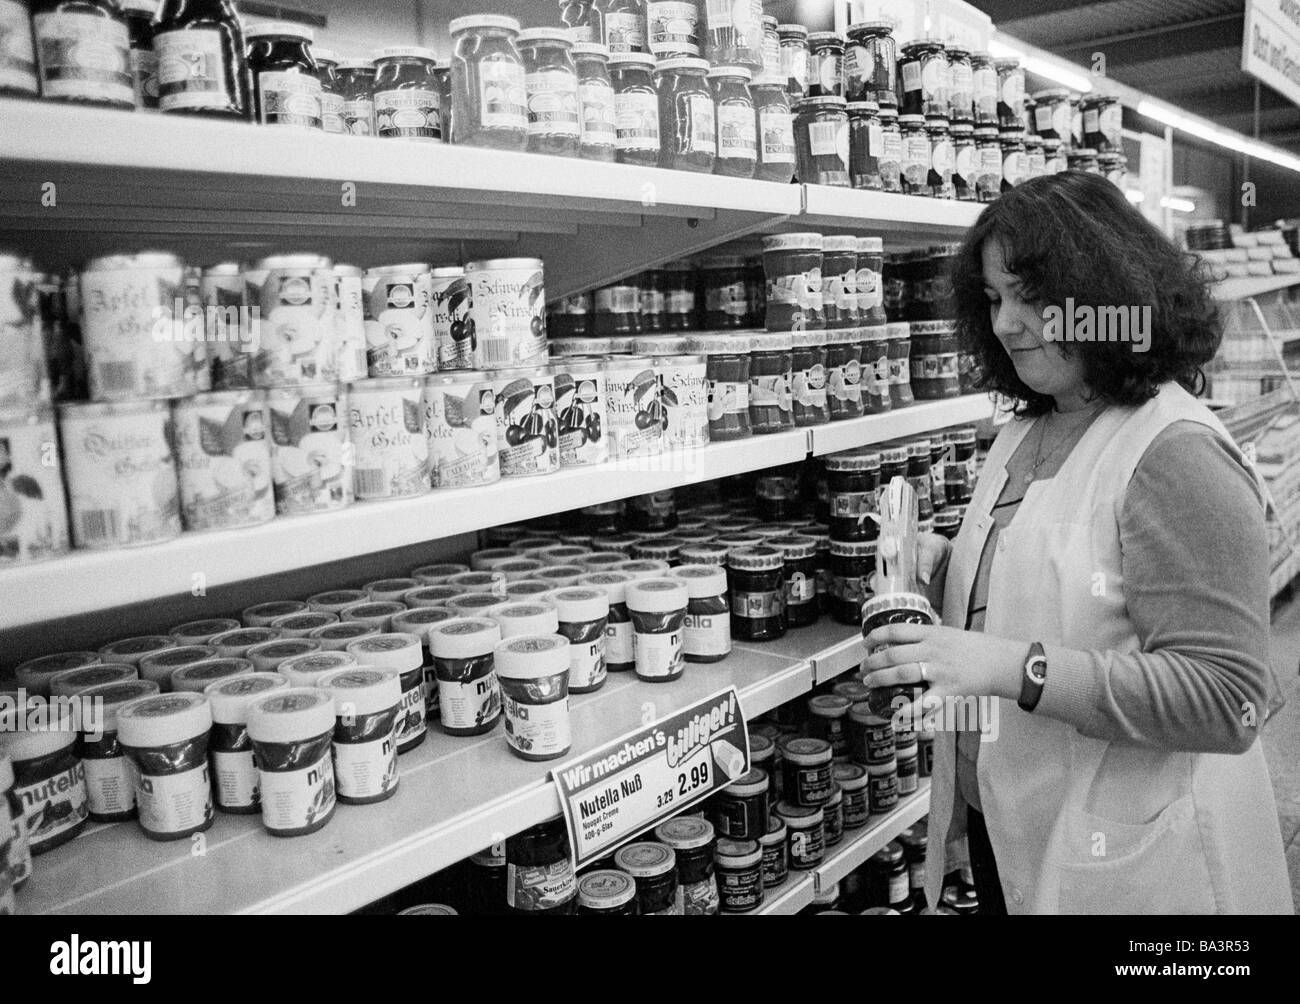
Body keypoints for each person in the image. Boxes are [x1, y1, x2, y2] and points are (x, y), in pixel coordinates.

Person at [863, 171, 1293, 915]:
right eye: (994, 300)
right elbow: (1052, 584)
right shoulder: (1029, 428)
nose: (1006, 324)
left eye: (1033, 295)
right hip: (1014, 828)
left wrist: (1014, 669)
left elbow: (1228, 701)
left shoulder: (1175, 451)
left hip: (1144, 873)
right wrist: (951, 573)